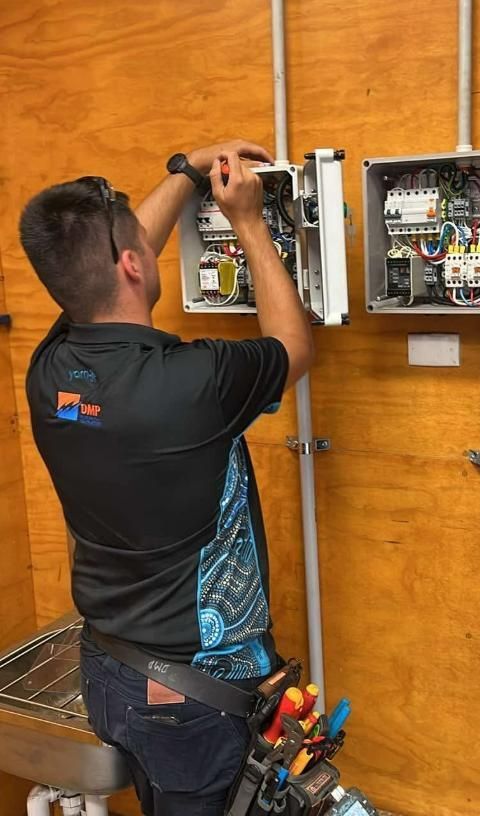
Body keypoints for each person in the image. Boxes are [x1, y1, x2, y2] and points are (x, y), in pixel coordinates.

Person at [19, 139, 315, 816]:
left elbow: (100, 273)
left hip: (109, 670)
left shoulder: (52, 373)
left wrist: (185, 171)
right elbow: (295, 348)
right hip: (190, 696)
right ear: (131, 262)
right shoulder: (193, 382)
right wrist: (246, 218)